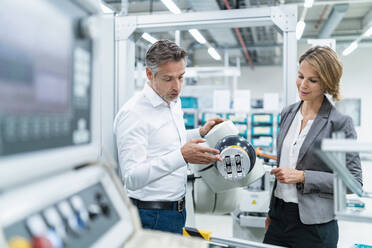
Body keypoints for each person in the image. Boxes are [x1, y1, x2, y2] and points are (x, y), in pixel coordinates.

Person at [113, 40, 223, 234]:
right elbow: (131, 177)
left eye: (181, 77)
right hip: (151, 215)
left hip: (177, 211)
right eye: (168, 78)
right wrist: (182, 156)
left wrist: (200, 132)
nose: (177, 86)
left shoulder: (172, 101)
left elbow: (167, 142)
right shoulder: (134, 113)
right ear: (149, 74)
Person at [263, 46, 362, 248]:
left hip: (314, 226)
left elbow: (354, 181)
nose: (303, 85)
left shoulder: (339, 122)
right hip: (279, 217)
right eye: (300, 76)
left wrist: (303, 176)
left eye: (313, 80)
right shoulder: (288, 113)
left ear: (327, 83)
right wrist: (271, 213)